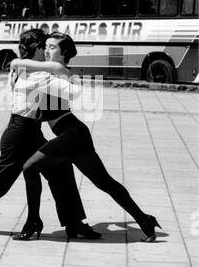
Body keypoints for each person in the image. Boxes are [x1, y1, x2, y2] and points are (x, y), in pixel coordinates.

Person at [0, 29, 100, 239]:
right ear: (38, 48)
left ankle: (74, 222)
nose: (48, 52)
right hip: (20, 134)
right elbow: (74, 91)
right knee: (0, 183)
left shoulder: (23, 68)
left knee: (60, 168)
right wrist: (56, 67)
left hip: (27, 130)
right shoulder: (38, 74)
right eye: (46, 47)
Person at [11, 32, 161, 242]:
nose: (46, 50)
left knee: (30, 167)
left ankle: (33, 221)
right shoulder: (48, 72)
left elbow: (75, 88)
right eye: (45, 46)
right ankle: (145, 220)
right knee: (105, 182)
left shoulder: (59, 74)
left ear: (64, 53)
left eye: (52, 47)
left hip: (72, 135)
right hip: (74, 135)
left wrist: (25, 63)